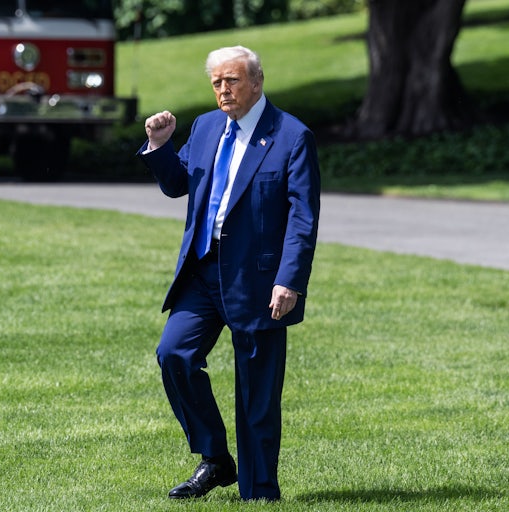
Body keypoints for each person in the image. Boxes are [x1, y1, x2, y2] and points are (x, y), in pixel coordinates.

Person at [136, 46, 320, 502]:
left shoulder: (292, 136)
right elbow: (179, 184)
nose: (223, 90)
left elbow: (303, 217)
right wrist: (160, 146)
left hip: (259, 279)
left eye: (232, 80)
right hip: (203, 270)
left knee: (256, 391)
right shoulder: (205, 127)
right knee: (174, 354)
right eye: (217, 82)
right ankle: (216, 459)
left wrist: (289, 280)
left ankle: (259, 493)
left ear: (256, 82)